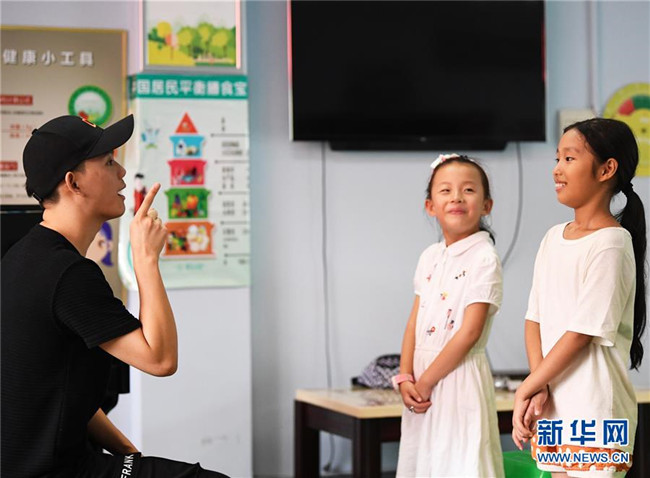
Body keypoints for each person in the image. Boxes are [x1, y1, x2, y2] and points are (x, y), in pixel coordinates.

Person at [1, 115, 228, 478]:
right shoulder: (67, 274)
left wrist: (128, 453)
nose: (122, 172)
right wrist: (145, 259)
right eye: (108, 162)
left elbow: (58, 392)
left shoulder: (24, 257)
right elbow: (161, 359)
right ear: (73, 183)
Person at [512, 118, 646, 477]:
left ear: (606, 169)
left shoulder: (612, 242)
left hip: (596, 409)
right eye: (557, 158)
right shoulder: (552, 237)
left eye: (569, 158)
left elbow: (581, 333)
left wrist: (528, 387)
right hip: (553, 406)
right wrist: (540, 386)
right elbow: (534, 318)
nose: (557, 169)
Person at [395, 154, 505, 477]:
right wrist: (405, 378)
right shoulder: (430, 257)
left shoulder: (484, 258)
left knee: (459, 462)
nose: (456, 197)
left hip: (458, 380)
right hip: (420, 384)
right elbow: (414, 322)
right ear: (430, 206)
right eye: (445, 190)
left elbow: (470, 332)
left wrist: (425, 382)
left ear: (486, 205)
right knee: (425, 463)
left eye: (468, 190)